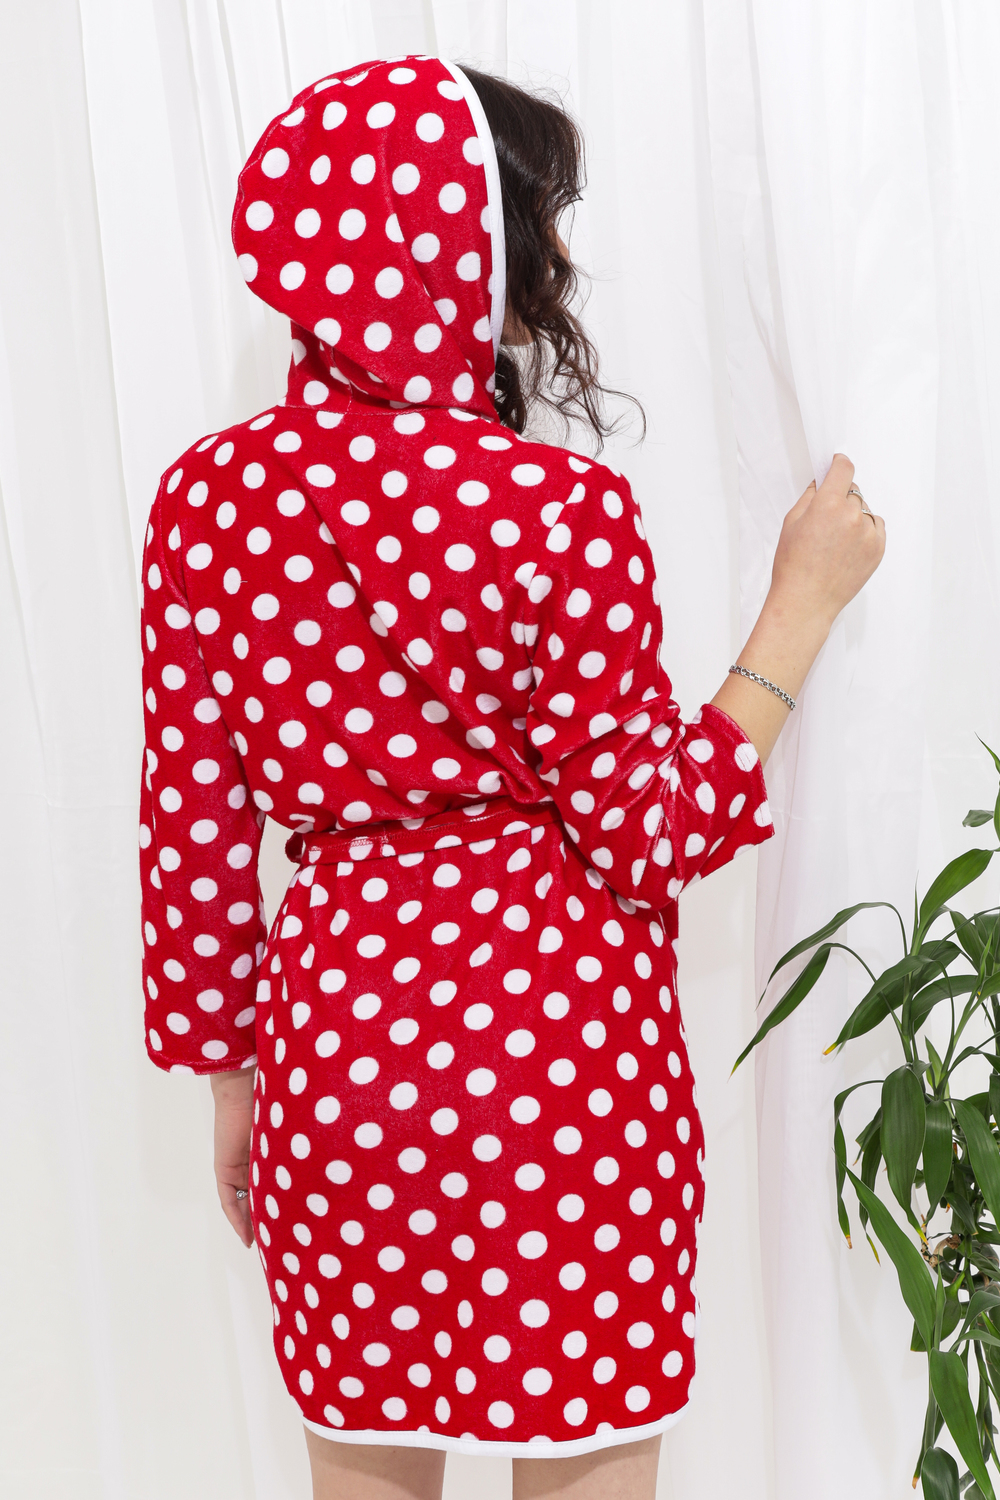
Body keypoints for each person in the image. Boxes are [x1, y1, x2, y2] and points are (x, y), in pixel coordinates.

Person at [137, 54, 885, 1500]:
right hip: (564, 1076)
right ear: (453, 234)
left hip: (339, 1070)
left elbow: (194, 833)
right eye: (529, 218)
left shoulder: (207, 502)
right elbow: (650, 827)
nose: (543, 258)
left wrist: (237, 1084)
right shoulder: (555, 510)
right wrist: (798, 607)